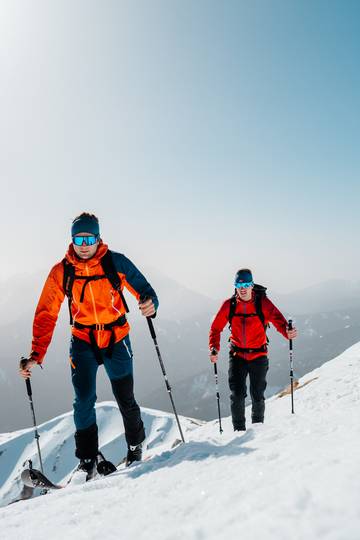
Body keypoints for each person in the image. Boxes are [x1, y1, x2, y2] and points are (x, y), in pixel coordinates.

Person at [19, 212, 158, 477]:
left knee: (125, 398)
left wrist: (151, 302)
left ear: (98, 238)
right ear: (71, 240)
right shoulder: (62, 271)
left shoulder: (116, 262)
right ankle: (87, 461)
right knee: (83, 401)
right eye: (78, 238)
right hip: (83, 341)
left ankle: (135, 444)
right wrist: (37, 353)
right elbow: (47, 312)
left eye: (89, 238)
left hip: (117, 339)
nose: (84, 244)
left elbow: (144, 288)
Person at [209, 268, 297, 431]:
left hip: (259, 355)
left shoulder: (262, 303)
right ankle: (238, 431)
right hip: (237, 355)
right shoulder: (229, 305)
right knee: (237, 395)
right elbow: (215, 328)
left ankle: (258, 430)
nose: (243, 289)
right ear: (235, 286)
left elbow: (279, 321)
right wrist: (214, 348)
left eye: (247, 284)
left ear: (252, 285)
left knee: (257, 395)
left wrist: (288, 332)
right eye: (239, 285)